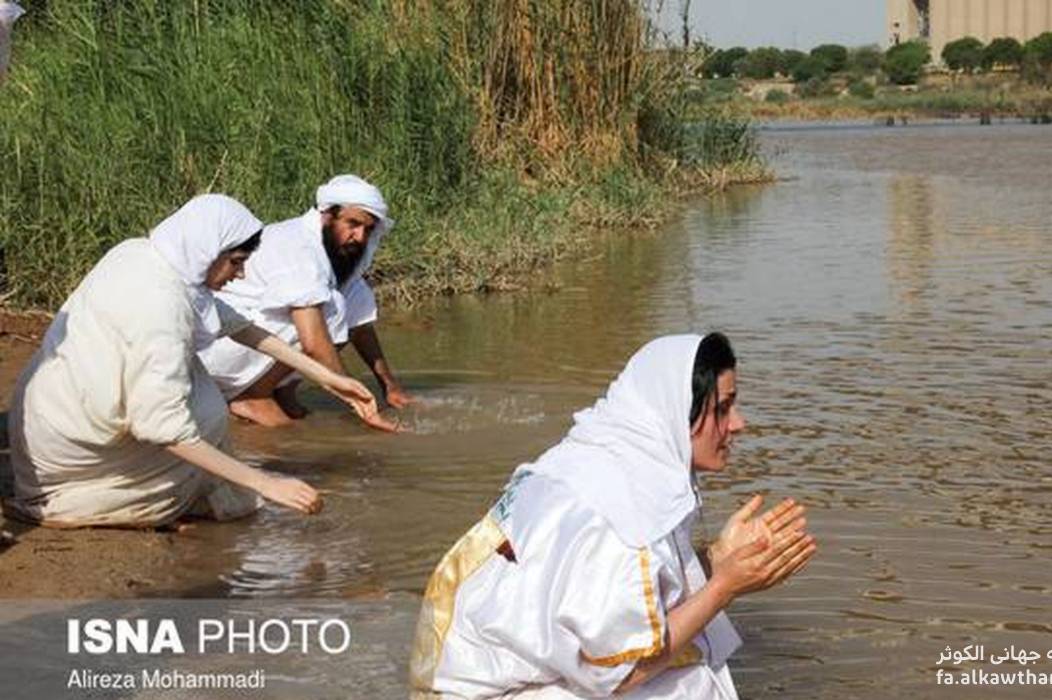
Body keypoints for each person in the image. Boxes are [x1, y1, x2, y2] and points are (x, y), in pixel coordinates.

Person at [411, 333, 817, 699]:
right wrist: (724, 587)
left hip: (460, 670)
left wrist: (714, 562)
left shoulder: (602, 460)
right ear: (677, 413)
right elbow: (621, 673)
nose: (739, 424)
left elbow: (631, 595)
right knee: (683, 687)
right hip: (482, 692)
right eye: (723, 409)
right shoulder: (620, 509)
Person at [4, 195, 392, 528]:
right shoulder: (161, 306)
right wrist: (265, 482)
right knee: (216, 488)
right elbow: (162, 427)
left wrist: (325, 377)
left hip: (52, 423)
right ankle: (90, 501)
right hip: (73, 456)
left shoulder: (148, 256)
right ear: (210, 250)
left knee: (217, 463)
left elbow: (236, 324)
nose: (239, 275)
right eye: (236, 262)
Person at [198, 174, 414, 427]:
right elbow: (313, 343)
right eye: (353, 224)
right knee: (329, 311)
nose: (360, 237)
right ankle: (252, 397)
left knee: (350, 298)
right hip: (217, 347)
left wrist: (389, 386)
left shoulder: (339, 256)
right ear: (327, 215)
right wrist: (361, 403)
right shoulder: (300, 248)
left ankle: (280, 391)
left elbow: (361, 327)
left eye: (368, 229)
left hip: (251, 345)